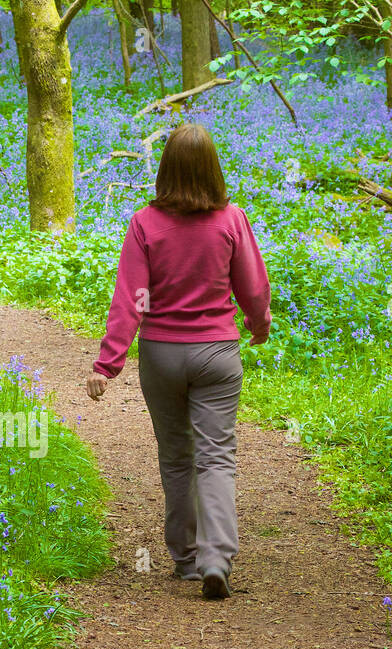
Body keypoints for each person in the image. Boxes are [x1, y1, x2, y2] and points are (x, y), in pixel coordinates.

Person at [85, 123, 272, 600]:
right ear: (213, 169)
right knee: (216, 458)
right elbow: (252, 288)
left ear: (165, 169)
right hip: (217, 354)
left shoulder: (145, 224)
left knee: (176, 458)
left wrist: (108, 364)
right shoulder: (232, 219)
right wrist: (258, 324)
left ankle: (187, 559)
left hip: (162, 356)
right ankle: (216, 558)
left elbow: (131, 300)